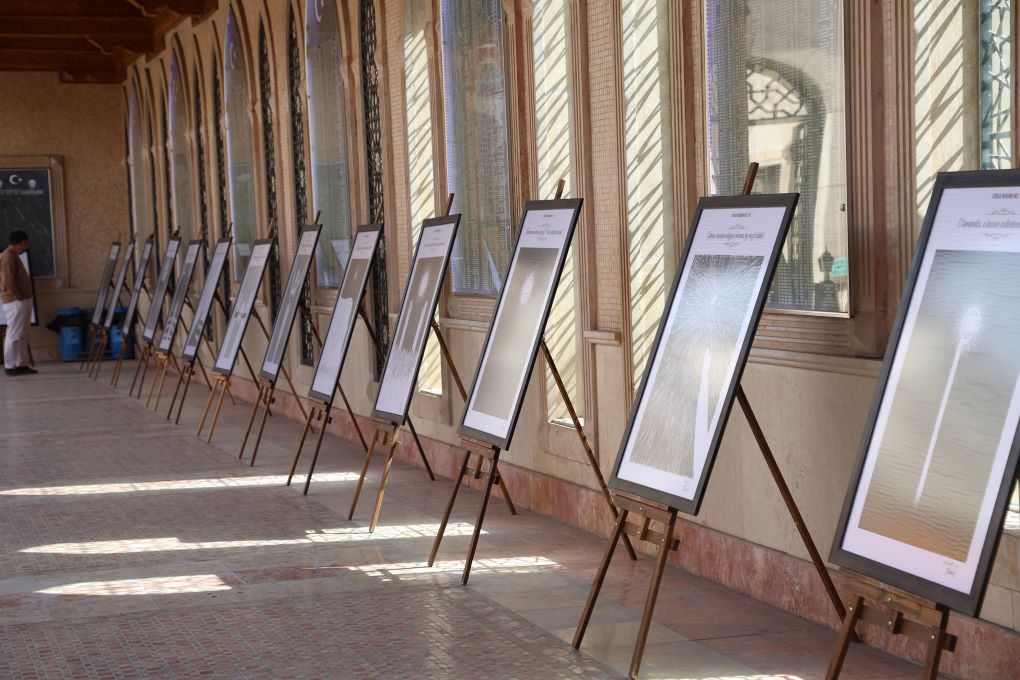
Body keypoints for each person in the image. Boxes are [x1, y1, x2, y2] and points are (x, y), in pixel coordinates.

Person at [0, 231, 37, 376]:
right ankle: (10, 365)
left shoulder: (13, 256)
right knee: (14, 333)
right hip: (15, 302)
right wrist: (19, 297)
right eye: (25, 244)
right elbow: (8, 281)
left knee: (23, 334)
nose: (25, 247)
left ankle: (21, 364)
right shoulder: (8, 256)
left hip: (22, 300)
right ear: (21, 242)